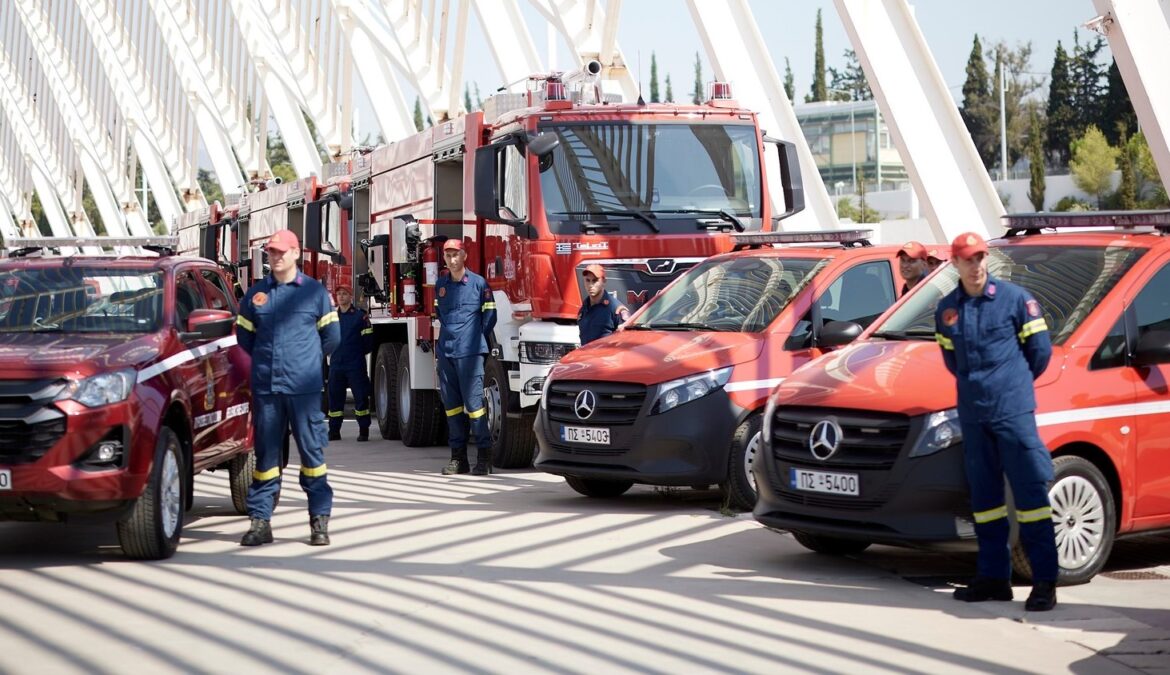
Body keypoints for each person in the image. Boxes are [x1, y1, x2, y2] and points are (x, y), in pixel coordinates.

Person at [934, 231, 1058, 612]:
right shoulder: (947, 310)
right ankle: (993, 578)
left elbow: (1040, 353)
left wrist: (1011, 386)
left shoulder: (1015, 300)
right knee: (986, 501)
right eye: (968, 259)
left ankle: (1044, 582)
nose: (976, 266)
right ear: (955, 263)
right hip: (974, 416)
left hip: (1012, 413)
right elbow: (952, 361)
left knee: (1031, 498)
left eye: (981, 258)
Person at [235, 229, 340, 547]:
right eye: (272, 252)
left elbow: (332, 337)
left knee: (312, 455)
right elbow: (244, 338)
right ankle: (260, 521)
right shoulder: (256, 295)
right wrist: (266, 363)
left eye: (281, 251)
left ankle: (319, 521)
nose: (276, 256)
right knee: (266, 457)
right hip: (267, 389)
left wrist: (307, 361)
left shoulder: (314, 293)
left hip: (303, 389)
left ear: (296, 253)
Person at [435, 238, 497, 476]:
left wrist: (473, 338)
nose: (452, 260)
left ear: (464, 256)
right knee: (451, 408)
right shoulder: (441, 285)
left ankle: (484, 459)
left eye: (455, 255)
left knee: (475, 407)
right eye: (448, 255)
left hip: (470, 355)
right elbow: (440, 314)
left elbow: (490, 316)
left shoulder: (479, 284)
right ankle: (458, 459)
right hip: (447, 353)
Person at [327, 285, 374, 442]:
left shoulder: (360, 317)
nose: (341, 297)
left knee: (361, 397)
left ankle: (363, 430)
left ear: (351, 297)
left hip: (355, 364)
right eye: (339, 294)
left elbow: (368, 341)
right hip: (336, 364)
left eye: (344, 294)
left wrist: (357, 354)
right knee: (335, 398)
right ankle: (334, 431)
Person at [578, 263, 630, 345]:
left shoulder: (616, 309)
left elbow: (627, 341)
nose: (590, 285)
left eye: (595, 280)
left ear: (604, 281)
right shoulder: (584, 308)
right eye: (587, 280)